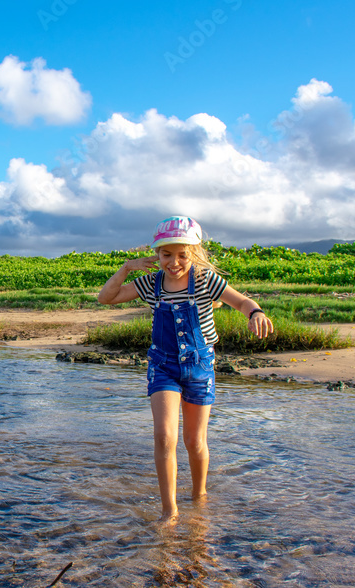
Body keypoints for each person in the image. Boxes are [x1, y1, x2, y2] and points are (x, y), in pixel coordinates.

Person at [97, 216, 273, 520]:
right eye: (167, 255)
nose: (174, 262)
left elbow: (242, 301)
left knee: (194, 441)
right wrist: (127, 267)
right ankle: (170, 512)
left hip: (200, 367)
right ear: (157, 254)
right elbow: (106, 298)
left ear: (194, 252)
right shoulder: (151, 283)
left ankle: (199, 495)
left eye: (182, 254)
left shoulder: (206, 281)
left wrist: (254, 312)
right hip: (162, 366)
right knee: (165, 437)